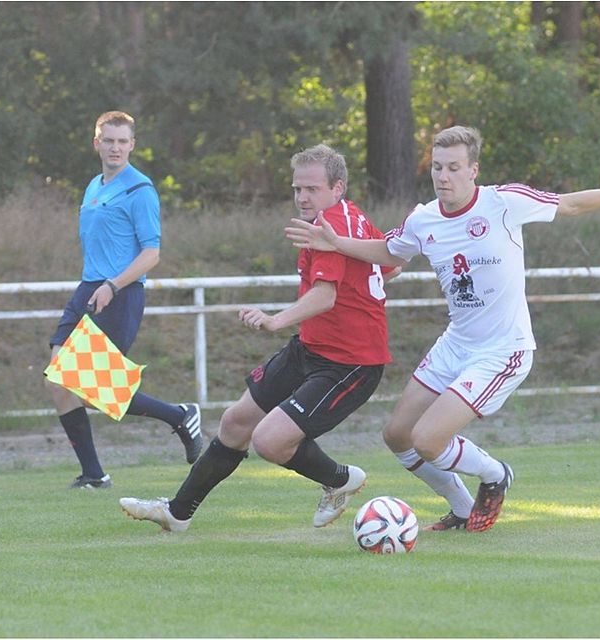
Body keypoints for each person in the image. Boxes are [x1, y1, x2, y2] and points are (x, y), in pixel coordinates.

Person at [286, 125, 600, 533]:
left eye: (453, 168)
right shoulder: (423, 219)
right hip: (456, 343)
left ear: (473, 170)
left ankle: (496, 474)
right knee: (398, 435)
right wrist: (336, 243)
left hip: (503, 350)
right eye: (437, 167)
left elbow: (569, 204)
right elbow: (389, 252)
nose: (443, 176)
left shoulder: (504, 202)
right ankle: (462, 508)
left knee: (428, 440)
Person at [119, 144, 398, 531]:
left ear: (338, 187)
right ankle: (177, 513)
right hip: (311, 348)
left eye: (311, 189)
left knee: (269, 441)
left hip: (350, 363)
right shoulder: (350, 219)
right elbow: (392, 263)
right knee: (236, 422)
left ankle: (339, 480)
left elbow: (325, 295)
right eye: (297, 188)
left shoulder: (332, 223)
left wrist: (274, 320)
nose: (301, 197)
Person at [46, 110, 204, 490]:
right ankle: (94, 475)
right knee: (57, 379)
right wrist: (96, 284)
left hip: (119, 293)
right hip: (87, 288)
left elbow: (152, 254)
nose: (115, 147)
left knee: (90, 387)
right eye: (108, 140)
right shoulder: (94, 185)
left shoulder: (140, 190)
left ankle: (180, 416)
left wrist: (113, 286)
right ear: (96, 142)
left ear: (132, 145)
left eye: (122, 141)